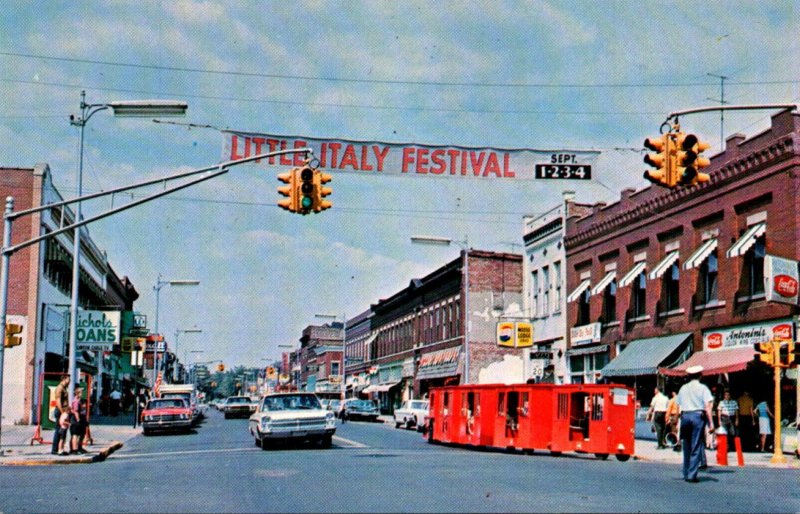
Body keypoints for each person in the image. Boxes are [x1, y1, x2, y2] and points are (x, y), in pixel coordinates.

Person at [676, 365, 714, 483]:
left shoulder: (683, 388)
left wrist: (678, 422)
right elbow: (707, 407)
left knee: (686, 445)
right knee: (696, 445)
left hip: (685, 416)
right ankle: (692, 475)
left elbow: (679, 406)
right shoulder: (703, 388)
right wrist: (711, 424)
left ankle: (686, 471)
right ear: (700, 376)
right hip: (697, 416)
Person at [50, 374, 70, 455]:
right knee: (59, 431)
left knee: (62, 431)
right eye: (68, 379)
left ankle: (60, 449)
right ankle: (55, 449)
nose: (69, 381)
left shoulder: (64, 388)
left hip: (64, 411)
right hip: (60, 411)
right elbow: (58, 402)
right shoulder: (60, 388)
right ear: (64, 379)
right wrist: (62, 413)